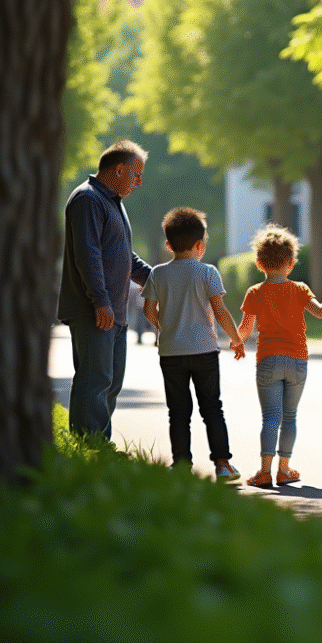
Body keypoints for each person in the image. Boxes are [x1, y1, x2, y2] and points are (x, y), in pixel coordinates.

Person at [236, 224, 322, 488]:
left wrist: (238, 343)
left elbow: (245, 327)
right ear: (290, 264)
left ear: (258, 262)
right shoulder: (299, 289)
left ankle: (264, 471)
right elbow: (321, 311)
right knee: (289, 417)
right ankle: (284, 469)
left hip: (268, 361)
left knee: (270, 418)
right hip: (297, 360)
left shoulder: (255, 292)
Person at [142, 208, 246, 482]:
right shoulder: (207, 272)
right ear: (200, 245)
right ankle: (223, 464)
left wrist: (164, 327)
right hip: (204, 351)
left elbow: (148, 309)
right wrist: (236, 339)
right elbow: (220, 311)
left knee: (178, 411)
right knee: (212, 407)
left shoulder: (158, 273)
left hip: (171, 352)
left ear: (168, 245)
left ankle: (181, 465)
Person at [57, 139, 152, 439]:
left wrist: (161, 280)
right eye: (137, 175)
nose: (139, 182)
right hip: (94, 310)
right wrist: (100, 300)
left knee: (110, 383)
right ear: (119, 170)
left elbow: (126, 257)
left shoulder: (113, 204)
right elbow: (88, 254)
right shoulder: (87, 199)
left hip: (114, 312)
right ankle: (88, 446)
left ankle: (98, 444)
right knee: (94, 380)